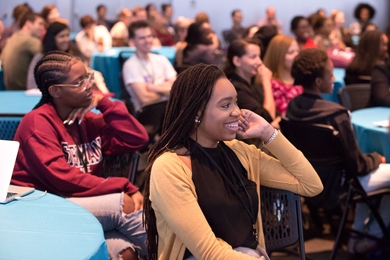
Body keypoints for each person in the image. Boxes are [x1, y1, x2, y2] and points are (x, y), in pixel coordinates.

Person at [142, 63, 323, 259]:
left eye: (236, 103)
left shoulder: (240, 153)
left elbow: (311, 185)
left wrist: (268, 133)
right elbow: (209, 253)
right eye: (226, 105)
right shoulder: (169, 167)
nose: (237, 111)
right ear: (196, 112)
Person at [11, 51, 149, 260]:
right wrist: (122, 184)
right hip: (42, 206)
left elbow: (137, 138)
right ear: (56, 91)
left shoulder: (86, 120)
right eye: (79, 83)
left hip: (77, 200)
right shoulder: (37, 123)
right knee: (124, 204)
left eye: (88, 78)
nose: (89, 86)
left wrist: (104, 103)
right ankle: (175, 254)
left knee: (125, 253)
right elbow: (61, 178)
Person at [286, 48, 390, 255]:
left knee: (371, 182)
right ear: (318, 82)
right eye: (330, 73)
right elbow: (358, 166)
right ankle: (375, 235)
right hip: (340, 185)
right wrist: (375, 158)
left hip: (309, 181)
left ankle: (357, 239)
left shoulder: (293, 109)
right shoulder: (336, 115)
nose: (334, 78)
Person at [26, 21, 109, 94]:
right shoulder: (40, 59)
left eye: (67, 35)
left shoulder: (72, 57)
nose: (66, 39)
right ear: (52, 39)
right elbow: (32, 86)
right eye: (61, 36)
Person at [223, 39, 279, 133]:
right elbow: (267, 118)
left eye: (259, 56)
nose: (260, 62)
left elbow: (276, 114)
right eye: (253, 57)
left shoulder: (253, 85)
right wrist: (266, 81)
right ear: (237, 61)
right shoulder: (236, 89)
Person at [122, 20, 176, 113]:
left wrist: (155, 88)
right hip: (147, 116)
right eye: (142, 38)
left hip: (168, 112)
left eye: (149, 36)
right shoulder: (130, 65)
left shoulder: (161, 59)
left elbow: (178, 89)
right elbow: (145, 98)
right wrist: (167, 91)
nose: (147, 41)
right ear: (132, 41)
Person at [1, 12, 45, 90]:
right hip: (25, 90)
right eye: (40, 24)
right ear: (28, 24)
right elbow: (49, 58)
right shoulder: (30, 41)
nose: (43, 28)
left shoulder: (12, 38)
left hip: (9, 90)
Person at [263, 35, 302, 116]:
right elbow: (285, 114)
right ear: (278, 56)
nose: (296, 55)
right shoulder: (274, 84)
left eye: (298, 51)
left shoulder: (302, 78)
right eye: (291, 52)